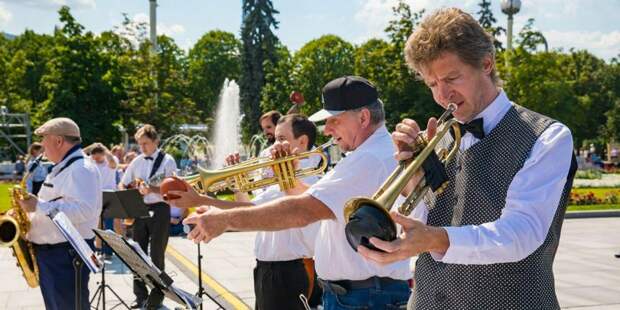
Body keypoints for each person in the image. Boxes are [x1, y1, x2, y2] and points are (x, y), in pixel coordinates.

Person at [356, 8, 577, 310]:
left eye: (451, 78)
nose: (442, 95)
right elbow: (418, 226)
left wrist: (437, 239)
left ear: (486, 64)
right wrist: (412, 180)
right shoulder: (437, 138)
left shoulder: (547, 137)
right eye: (432, 84)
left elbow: (522, 232)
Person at [182, 76, 412, 309]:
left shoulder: (368, 158)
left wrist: (224, 220)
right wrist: (288, 178)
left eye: (334, 120)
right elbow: (319, 201)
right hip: (362, 293)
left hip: (364, 296)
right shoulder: (369, 153)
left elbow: (304, 210)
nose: (327, 130)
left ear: (363, 117)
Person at [170, 114, 323, 309]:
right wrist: (237, 185)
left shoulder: (308, 180)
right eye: (275, 139)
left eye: (281, 139)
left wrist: (200, 199)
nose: (274, 146)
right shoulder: (283, 178)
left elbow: (252, 210)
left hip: (291, 269)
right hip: (267, 267)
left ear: (302, 142)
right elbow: (248, 209)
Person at [16, 117, 101, 310]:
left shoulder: (81, 169)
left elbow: (84, 210)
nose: (42, 144)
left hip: (65, 256)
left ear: (58, 141)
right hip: (55, 255)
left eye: (44, 138)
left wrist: (38, 206)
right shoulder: (65, 167)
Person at [119, 124, 177, 310]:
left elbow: (174, 190)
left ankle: (157, 298)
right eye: (139, 144)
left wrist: (151, 189)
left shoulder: (167, 161)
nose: (142, 148)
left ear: (155, 141)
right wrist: (132, 193)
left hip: (160, 208)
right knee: (137, 253)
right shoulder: (136, 161)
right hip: (140, 208)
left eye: (145, 143)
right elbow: (122, 184)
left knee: (157, 254)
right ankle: (140, 296)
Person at [85, 143, 120, 259]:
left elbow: (114, 164)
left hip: (109, 195)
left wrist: (104, 149)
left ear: (103, 154)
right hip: (96, 196)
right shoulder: (91, 161)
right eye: (94, 157)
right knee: (95, 224)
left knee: (109, 225)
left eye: (98, 157)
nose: (95, 159)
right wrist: (93, 146)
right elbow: (80, 153)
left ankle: (108, 251)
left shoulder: (110, 160)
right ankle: (99, 249)